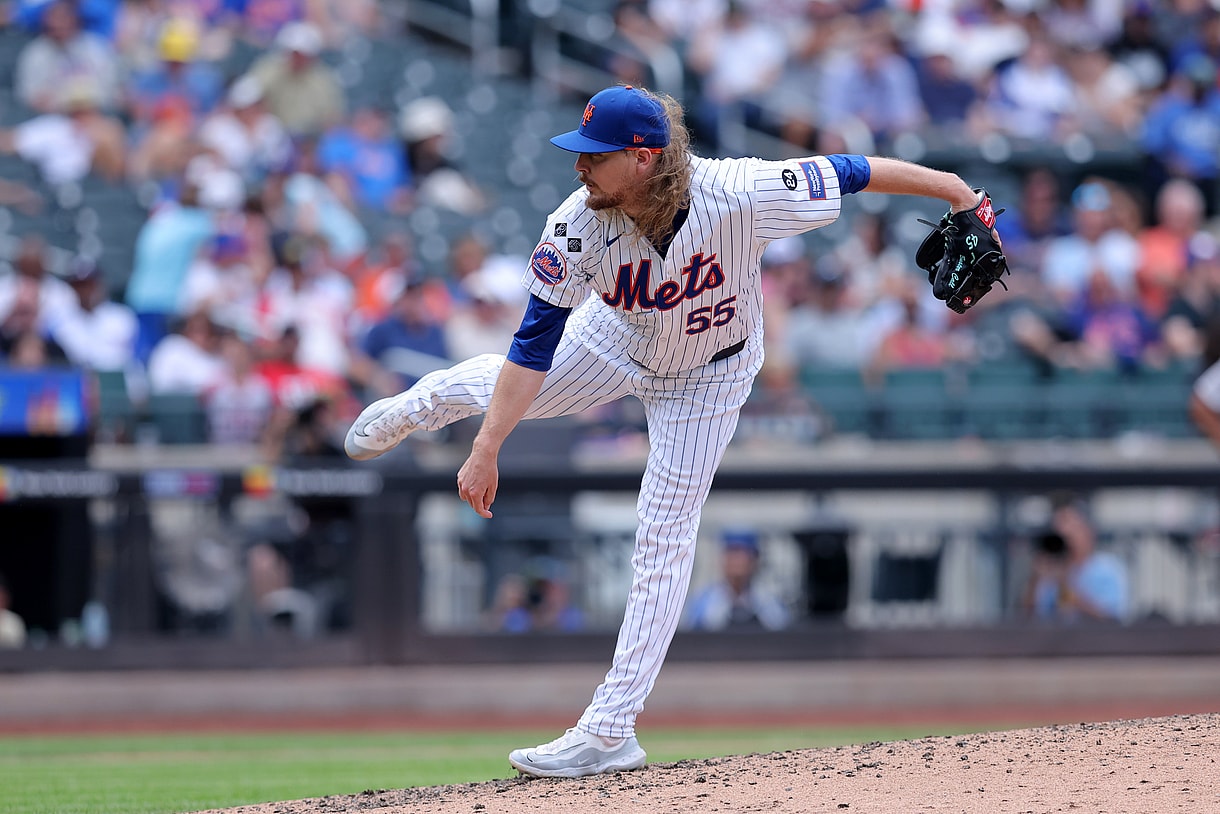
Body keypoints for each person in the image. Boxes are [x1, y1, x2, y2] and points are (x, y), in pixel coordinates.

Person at [342, 84, 1004, 778]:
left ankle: (609, 729)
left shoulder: (742, 191)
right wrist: (486, 446)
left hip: (710, 375)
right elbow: (531, 348)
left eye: (596, 155)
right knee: (488, 386)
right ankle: (411, 410)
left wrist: (956, 191)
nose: (580, 166)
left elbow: (853, 170)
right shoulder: (574, 226)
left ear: (643, 156)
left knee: (663, 533)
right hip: (616, 342)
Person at [1023, 492, 1130, 623]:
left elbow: (1109, 618)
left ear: (1087, 532)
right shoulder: (1050, 572)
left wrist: (1065, 586)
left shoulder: (1107, 569)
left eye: (1071, 530)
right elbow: (1028, 618)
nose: (1065, 539)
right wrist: (1036, 578)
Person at [683, 528, 791, 631]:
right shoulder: (703, 602)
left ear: (754, 560)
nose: (735, 561)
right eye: (731, 553)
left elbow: (782, 630)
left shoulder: (768, 601)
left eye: (741, 553)